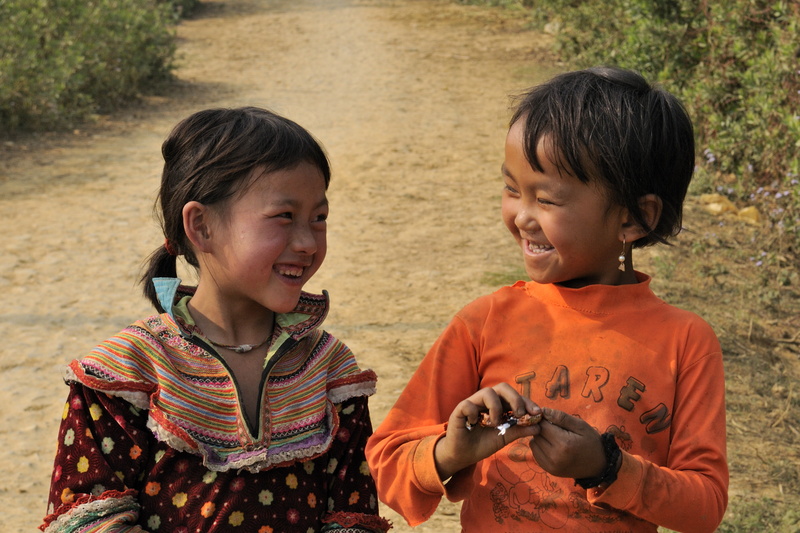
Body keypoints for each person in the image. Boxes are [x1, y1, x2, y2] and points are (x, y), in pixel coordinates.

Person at [366, 67, 728, 532]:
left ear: (635, 219)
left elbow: (705, 506)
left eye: (548, 200)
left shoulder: (685, 342)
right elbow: (385, 462)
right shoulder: (486, 321)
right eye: (512, 190)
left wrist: (607, 467)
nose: (522, 217)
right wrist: (450, 451)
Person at [41, 107, 391, 533]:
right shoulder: (125, 374)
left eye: (319, 218)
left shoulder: (329, 369)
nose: (306, 242)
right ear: (201, 226)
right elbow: (87, 518)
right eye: (284, 216)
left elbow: (352, 515)